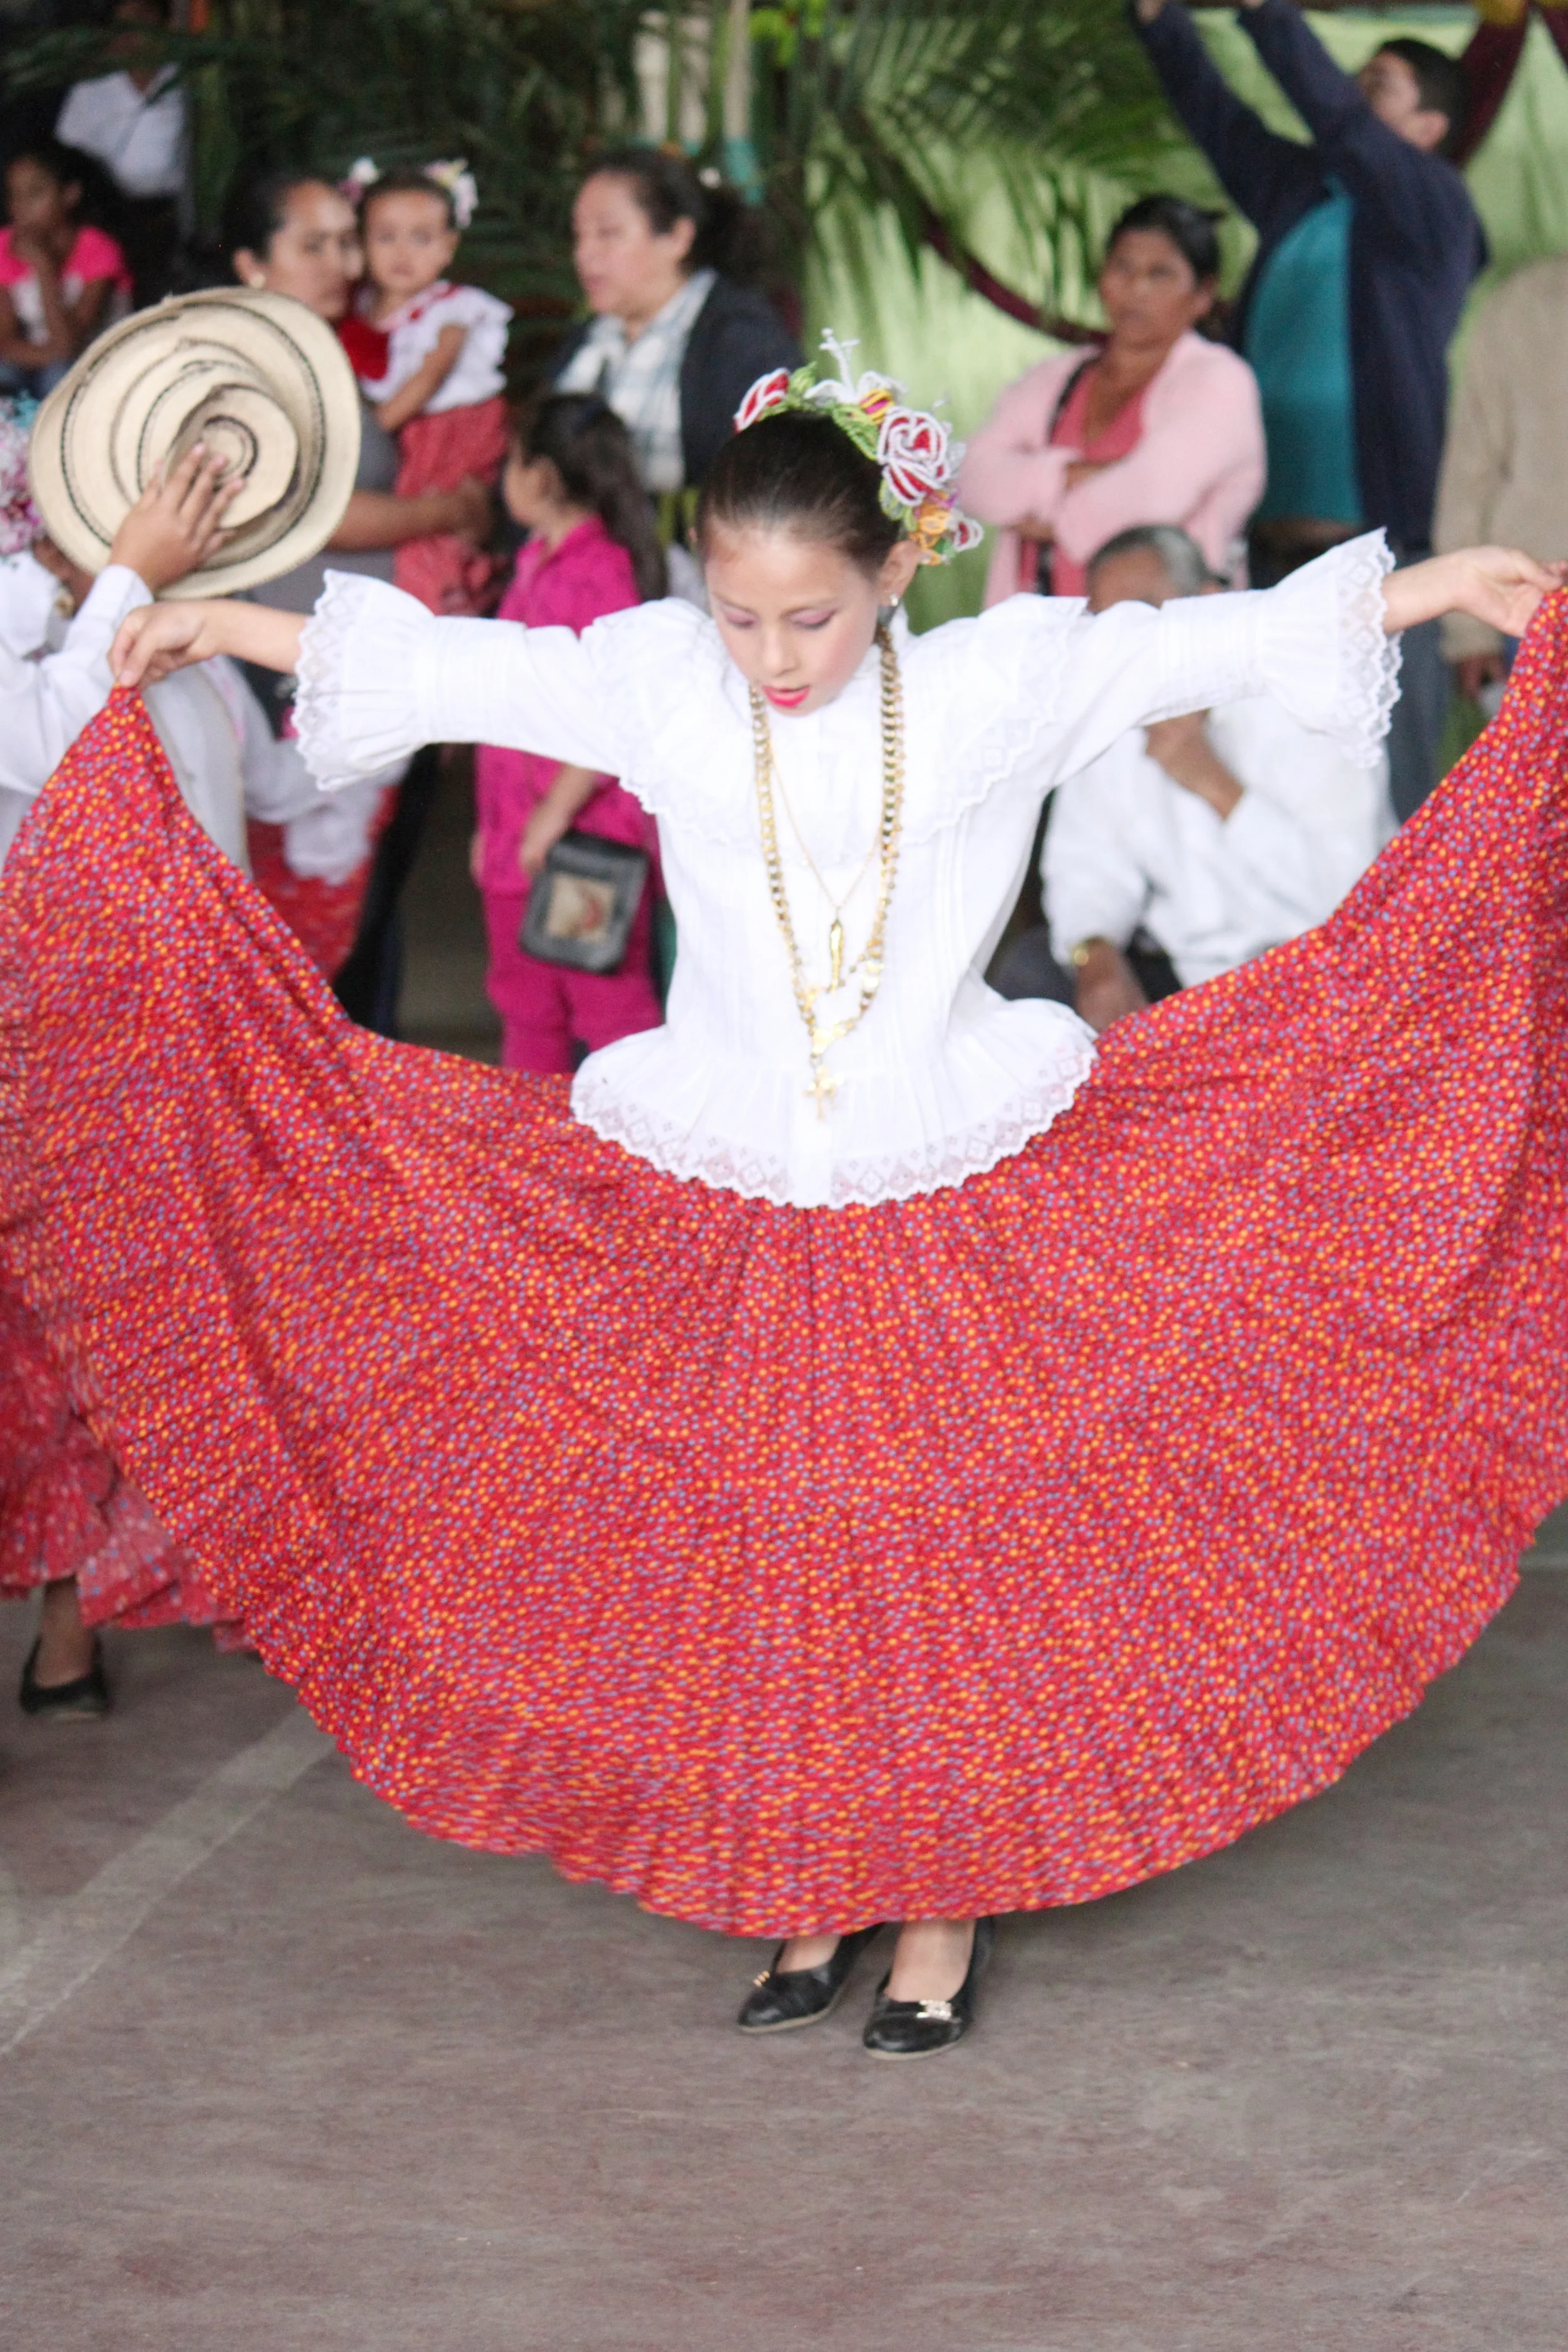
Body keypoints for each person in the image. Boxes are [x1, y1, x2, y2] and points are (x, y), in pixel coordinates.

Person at [8, 336, 1561, 2058]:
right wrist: (215, 621)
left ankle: (942, 1899)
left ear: (895, 571)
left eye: (807, 618)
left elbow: (1209, 639)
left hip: (948, 1181)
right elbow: (469, 670)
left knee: (940, 1555)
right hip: (725, 1191)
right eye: (739, 615)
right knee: (771, 1554)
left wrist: (1444, 585)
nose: (770, 656)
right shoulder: (667, 681)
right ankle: (814, 1875)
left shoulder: (995, 682)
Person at [0, 433, 239, 1715]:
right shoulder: (90, 611)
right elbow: (36, 732)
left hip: (87, 1044)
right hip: (36, 1039)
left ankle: (69, 1631)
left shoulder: (108, 616)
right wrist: (123, 581)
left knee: (76, 1341)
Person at [1131, 0, 1485, 824]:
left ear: (1428, 128)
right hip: (1269, 560)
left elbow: (1341, 124)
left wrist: (1266, 15)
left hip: (1381, 561)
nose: (1349, 94)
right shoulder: (1300, 192)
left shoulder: (1435, 207)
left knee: (1389, 799)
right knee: (1281, 786)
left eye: (1377, 85)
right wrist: (1159, 21)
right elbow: (1219, 120)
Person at [223, 169, 492, 1006]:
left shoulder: (349, 353)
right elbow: (314, 512)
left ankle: (355, 1071)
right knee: (309, 918)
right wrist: (450, 509)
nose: (344, 264)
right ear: (252, 264)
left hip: (371, 660)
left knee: (368, 916)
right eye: (314, 245)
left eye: (348, 241)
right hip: (290, 671)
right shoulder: (251, 370)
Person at [994, 524, 1393, 1032]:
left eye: (1143, 617)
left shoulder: (1308, 705)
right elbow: (1086, 868)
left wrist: (1217, 787)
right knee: (1034, 974)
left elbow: (1349, 899)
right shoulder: (1113, 714)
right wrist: (1094, 953)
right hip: (1180, 977)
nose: (1124, 647)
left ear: (1210, 602)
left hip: (1309, 967)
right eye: (1106, 627)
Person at [472, 393, 665, 1074]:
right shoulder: (532, 560)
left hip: (586, 842)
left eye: (511, 462)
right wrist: (493, 828)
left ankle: (636, 1141)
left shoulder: (603, 573)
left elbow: (615, 711)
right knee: (527, 1007)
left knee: (609, 1007)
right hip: (517, 841)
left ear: (543, 475)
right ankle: (535, 1140)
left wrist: (554, 814)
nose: (503, 479)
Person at [958, 195, 1264, 606]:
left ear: (1203, 294)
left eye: (1160, 274)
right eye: (1123, 267)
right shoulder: (1053, 378)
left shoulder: (1222, 380)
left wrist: (1040, 513)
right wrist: (1068, 476)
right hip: (1040, 633)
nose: (1136, 289)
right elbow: (970, 476)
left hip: (1165, 629)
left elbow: (1151, 496)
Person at [554, 147, 799, 576]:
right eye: (580, 236)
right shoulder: (587, 341)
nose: (585, 254)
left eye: (608, 234)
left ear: (677, 238)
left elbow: (776, 485)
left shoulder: (740, 341)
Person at [342, 159, 512, 617]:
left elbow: (428, 378)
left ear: (448, 247)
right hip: (408, 432)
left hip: (450, 429)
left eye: (421, 239)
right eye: (386, 237)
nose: (403, 252)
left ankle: (445, 606)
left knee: (435, 531)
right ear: (362, 242)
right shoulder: (359, 307)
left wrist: (375, 427)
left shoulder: (450, 311)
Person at [1433, 253, 1568, 711]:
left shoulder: (1517, 304)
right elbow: (1470, 474)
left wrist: (1469, 631)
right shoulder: (1519, 307)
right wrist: (1469, 631)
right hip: (1539, 605)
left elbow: (1469, 476)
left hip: (1538, 600)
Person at [55, 0, 187, 304]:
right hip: (113, 214)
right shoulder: (92, 88)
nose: (130, 34)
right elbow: (70, 157)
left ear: (164, 25)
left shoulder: (187, 82)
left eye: (140, 20)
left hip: (177, 213)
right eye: (121, 25)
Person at [0, 137, 130, 398]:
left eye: (35, 194)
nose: (21, 208)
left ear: (70, 195)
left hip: (96, 357)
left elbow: (71, 344)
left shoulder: (98, 249)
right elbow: (5, 340)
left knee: (59, 377)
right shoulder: (5, 246)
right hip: (40, 356)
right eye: (15, 196)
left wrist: (44, 267)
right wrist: (51, 354)